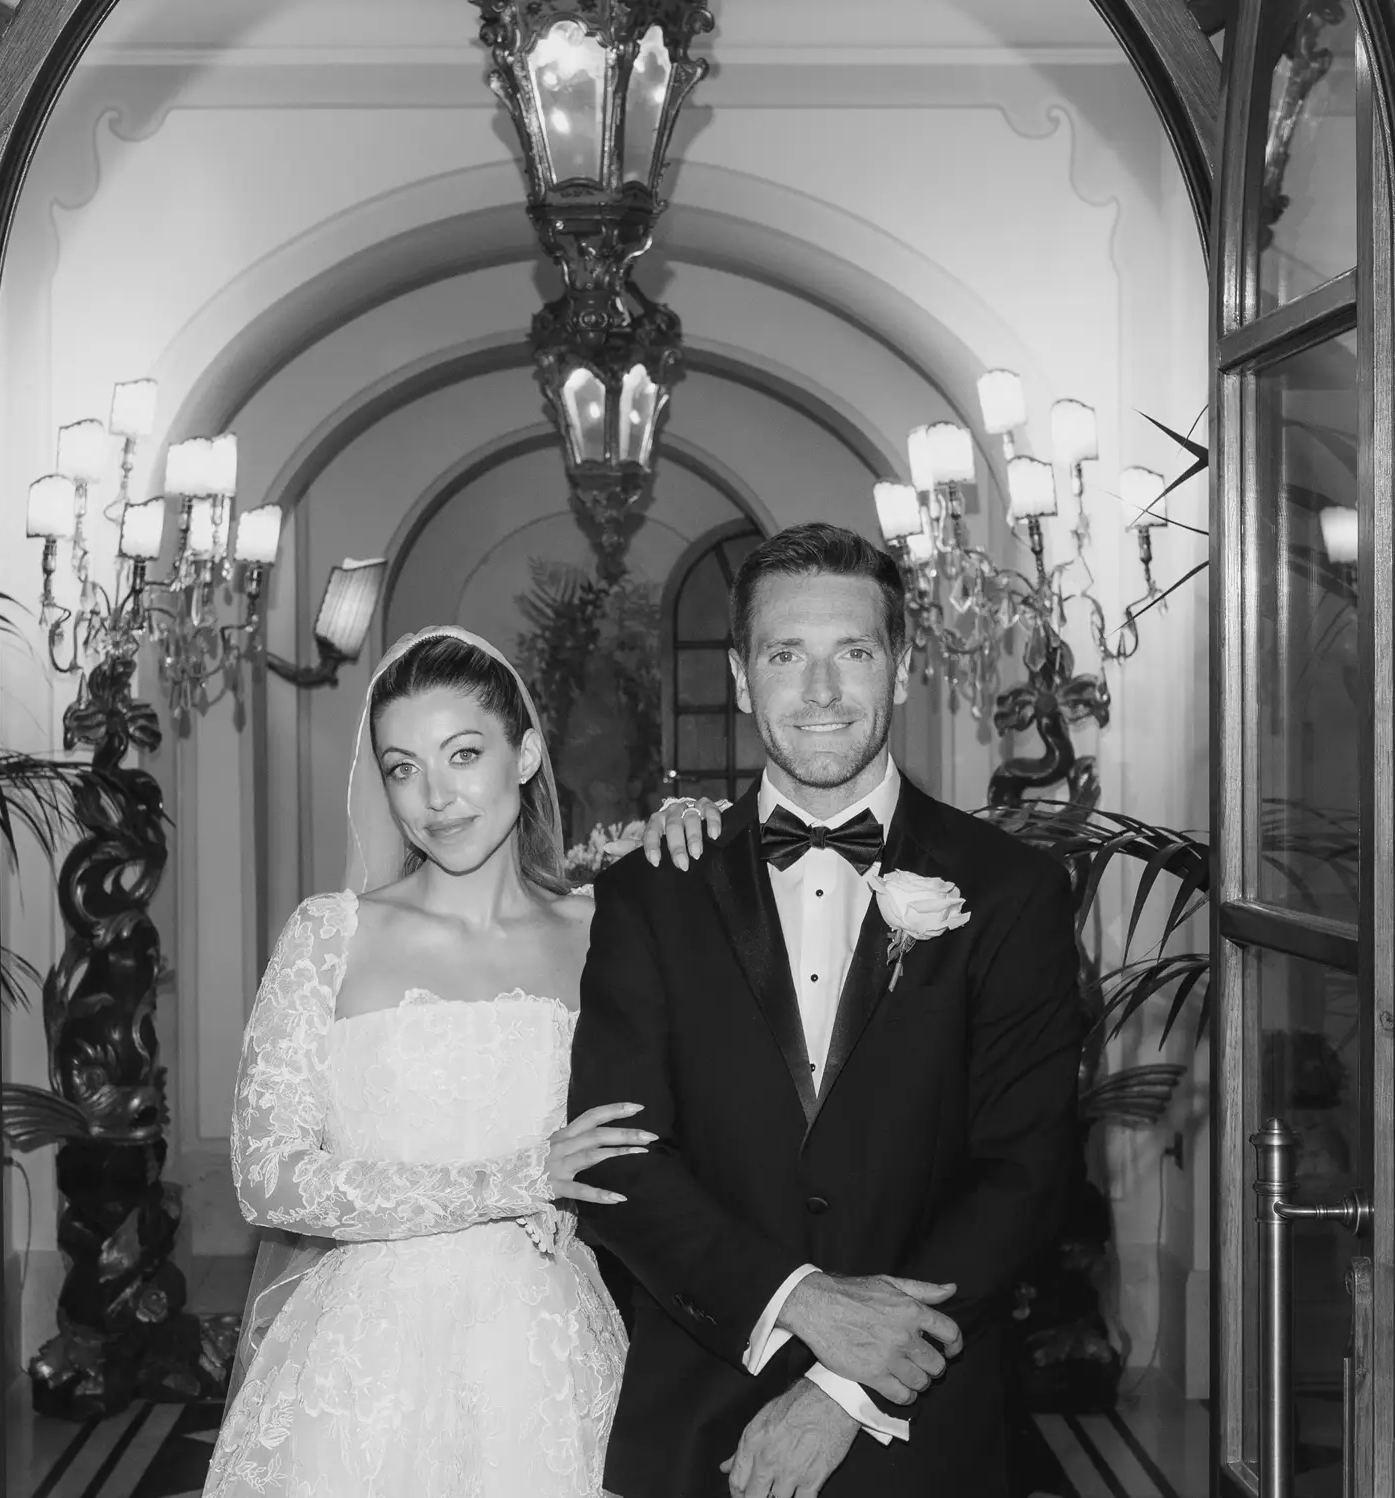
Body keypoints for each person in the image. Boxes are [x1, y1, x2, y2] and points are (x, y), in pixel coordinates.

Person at [568, 523, 1087, 1498]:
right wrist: (796, 1300)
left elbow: (1024, 1174)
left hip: (922, 1421)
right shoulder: (647, 890)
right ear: (737, 676)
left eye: (851, 652)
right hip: (696, 1414)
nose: (817, 691)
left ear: (898, 671)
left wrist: (845, 1387)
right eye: (783, 655)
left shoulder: (1012, 889)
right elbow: (619, 1161)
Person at [203, 628, 651, 1497]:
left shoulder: (608, 933)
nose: (435, 797)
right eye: (403, 767)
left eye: (463, 754)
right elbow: (268, 1179)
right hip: (363, 1370)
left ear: (524, 756)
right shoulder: (329, 936)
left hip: (545, 1357)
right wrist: (512, 1180)